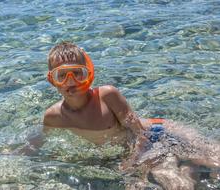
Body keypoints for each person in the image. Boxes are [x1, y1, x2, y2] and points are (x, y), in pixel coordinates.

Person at [43, 42, 220, 189]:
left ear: (88, 74)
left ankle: (191, 165)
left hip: (159, 133)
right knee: (178, 185)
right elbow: (44, 146)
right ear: (52, 80)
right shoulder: (53, 116)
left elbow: (140, 133)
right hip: (141, 149)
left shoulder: (107, 95)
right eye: (62, 76)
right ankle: (190, 167)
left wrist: (136, 164)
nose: (71, 81)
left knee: (214, 161)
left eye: (77, 73)